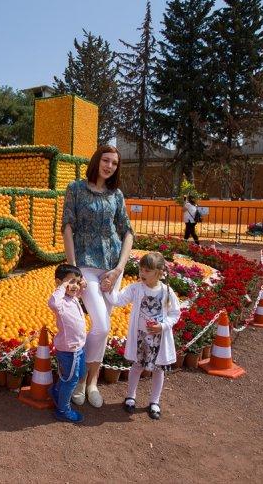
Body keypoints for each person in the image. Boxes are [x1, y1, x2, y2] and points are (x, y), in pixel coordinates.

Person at [61, 145, 134, 408]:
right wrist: (73, 269)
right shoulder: (76, 189)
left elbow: (127, 232)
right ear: (96, 160)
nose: (110, 166)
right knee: (101, 324)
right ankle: (80, 381)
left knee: (103, 330)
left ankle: (91, 382)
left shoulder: (117, 195)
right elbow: (68, 227)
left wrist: (117, 270)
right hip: (86, 266)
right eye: (106, 160)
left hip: (112, 268)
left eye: (114, 163)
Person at [102, 252, 181, 420]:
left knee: (159, 370)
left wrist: (163, 326)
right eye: (141, 270)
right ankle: (130, 396)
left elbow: (175, 313)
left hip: (158, 340)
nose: (142, 273)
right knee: (137, 366)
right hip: (140, 338)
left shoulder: (167, 291)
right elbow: (119, 300)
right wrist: (109, 289)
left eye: (147, 271)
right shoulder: (136, 288)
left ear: (159, 272)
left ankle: (154, 401)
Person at [47, 264, 88, 424]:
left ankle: (56, 391)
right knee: (71, 379)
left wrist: (80, 284)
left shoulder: (72, 298)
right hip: (69, 349)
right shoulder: (61, 301)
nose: (75, 285)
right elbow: (52, 303)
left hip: (78, 347)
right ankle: (63, 410)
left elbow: (79, 290)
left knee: (76, 374)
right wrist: (62, 287)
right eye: (71, 281)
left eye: (77, 282)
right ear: (59, 282)